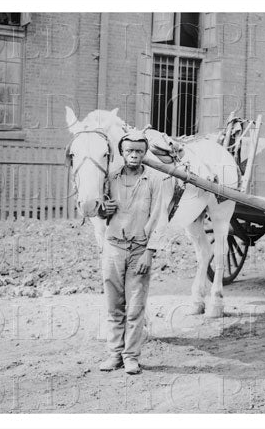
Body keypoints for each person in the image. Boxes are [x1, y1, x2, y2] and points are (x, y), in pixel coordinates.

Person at [98, 129, 165, 375]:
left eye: (139, 151)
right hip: (113, 247)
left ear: (145, 153)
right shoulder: (111, 179)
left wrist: (149, 252)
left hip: (139, 250)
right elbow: (99, 211)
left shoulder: (154, 182)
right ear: (122, 153)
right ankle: (114, 354)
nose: (134, 155)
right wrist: (103, 209)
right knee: (114, 305)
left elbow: (159, 218)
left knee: (135, 307)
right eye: (129, 151)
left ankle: (131, 357)